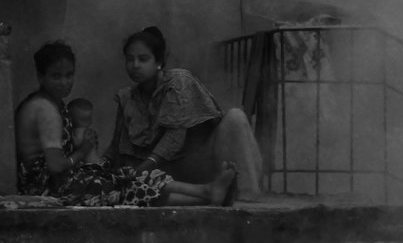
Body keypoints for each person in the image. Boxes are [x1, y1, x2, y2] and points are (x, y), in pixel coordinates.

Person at [15, 40, 237, 206]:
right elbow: (55, 166)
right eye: (56, 76)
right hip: (47, 188)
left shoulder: (50, 102)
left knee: (127, 176)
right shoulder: (45, 110)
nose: (64, 82)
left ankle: (207, 192)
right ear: (40, 76)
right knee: (122, 185)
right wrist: (83, 152)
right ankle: (205, 195)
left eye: (69, 75)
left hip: (59, 181)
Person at [108, 26, 262, 200]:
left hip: (196, 163)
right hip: (162, 174)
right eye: (130, 59)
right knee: (118, 182)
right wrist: (95, 165)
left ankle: (246, 197)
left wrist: (146, 165)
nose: (135, 65)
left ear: (158, 61)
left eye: (143, 59)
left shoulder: (178, 82)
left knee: (235, 117)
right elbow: (116, 147)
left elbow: (175, 136)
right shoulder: (126, 97)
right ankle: (203, 195)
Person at [67, 97, 102, 166]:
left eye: (90, 118)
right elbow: (76, 144)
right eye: (85, 120)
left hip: (93, 163)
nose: (90, 122)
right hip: (90, 165)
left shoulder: (82, 131)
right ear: (71, 119)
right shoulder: (80, 131)